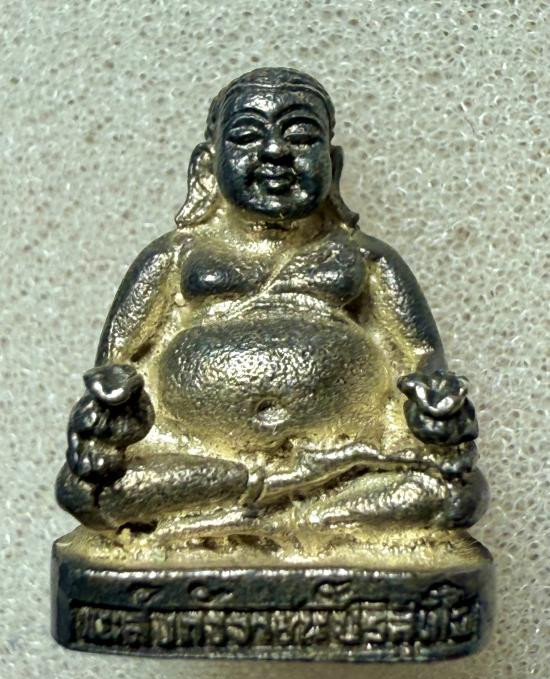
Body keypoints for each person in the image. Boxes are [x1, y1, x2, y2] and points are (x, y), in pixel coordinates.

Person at [56, 67, 487, 545]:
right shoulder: (176, 255)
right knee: (88, 493)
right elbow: (115, 364)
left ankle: (272, 521)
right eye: (247, 137)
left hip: (355, 460)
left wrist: (437, 409)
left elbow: (423, 359)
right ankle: (284, 497)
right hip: (201, 461)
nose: (276, 152)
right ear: (207, 165)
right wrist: (114, 417)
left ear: (333, 165)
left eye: (300, 137)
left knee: (454, 494)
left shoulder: (365, 257)